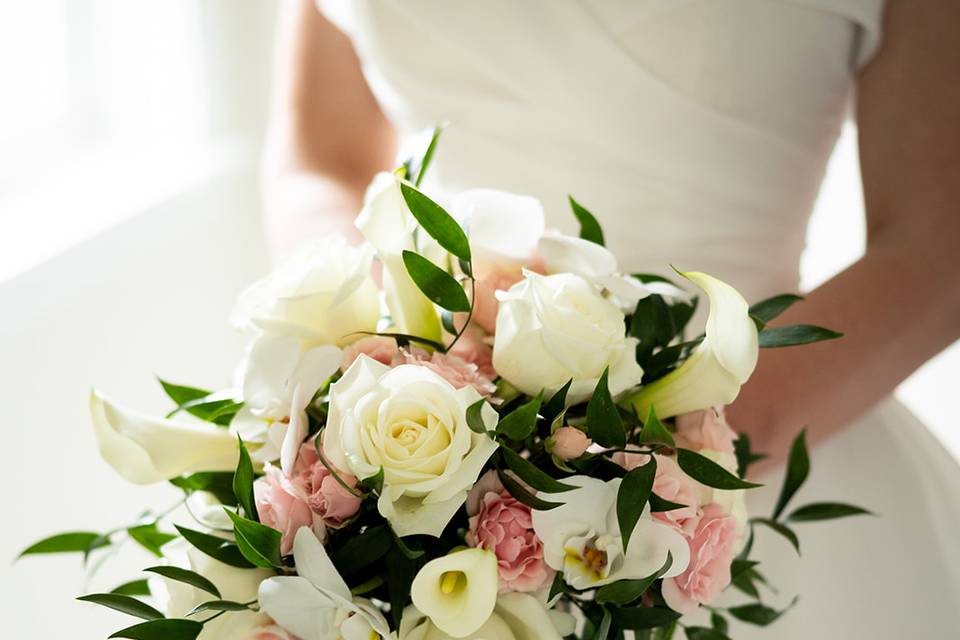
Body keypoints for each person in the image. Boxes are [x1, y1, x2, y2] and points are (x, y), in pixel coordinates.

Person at [261, 1, 960, 636]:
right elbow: (324, 154)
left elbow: (939, 245)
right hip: (405, 440)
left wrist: (643, 476)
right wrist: (368, 376)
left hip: (744, 455)